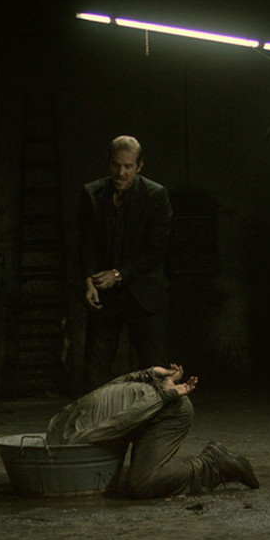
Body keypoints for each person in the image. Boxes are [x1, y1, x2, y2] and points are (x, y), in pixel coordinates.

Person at [46, 364, 259, 499]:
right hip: (153, 406)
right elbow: (117, 384)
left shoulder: (78, 433)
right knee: (132, 475)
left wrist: (164, 395)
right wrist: (148, 374)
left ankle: (212, 464)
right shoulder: (80, 407)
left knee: (141, 484)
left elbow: (123, 421)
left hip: (169, 412)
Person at [79, 135, 172, 393]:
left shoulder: (155, 195)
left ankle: (157, 419)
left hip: (145, 294)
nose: (121, 173)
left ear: (140, 166)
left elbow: (157, 251)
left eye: (128, 166)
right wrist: (88, 280)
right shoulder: (92, 194)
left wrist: (118, 274)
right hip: (105, 294)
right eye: (116, 165)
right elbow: (86, 244)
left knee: (156, 372)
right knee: (94, 371)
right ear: (107, 163)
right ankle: (95, 419)